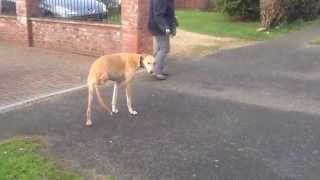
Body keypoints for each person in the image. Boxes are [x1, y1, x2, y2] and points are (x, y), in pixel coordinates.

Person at [148, 0, 177, 80]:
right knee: (164, 49)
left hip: (157, 26)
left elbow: (167, 11)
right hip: (159, 28)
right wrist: (166, 28)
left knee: (158, 50)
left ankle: (156, 69)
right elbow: (159, 15)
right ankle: (157, 72)